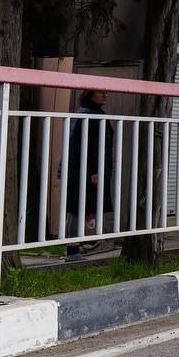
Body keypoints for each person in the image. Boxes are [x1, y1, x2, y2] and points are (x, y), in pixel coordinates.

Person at [63, 90, 114, 262]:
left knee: (85, 207)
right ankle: (72, 250)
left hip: (86, 169)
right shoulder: (87, 115)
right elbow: (85, 145)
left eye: (107, 93)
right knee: (77, 208)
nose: (106, 95)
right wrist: (95, 169)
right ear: (90, 95)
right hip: (84, 170)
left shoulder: (91, 113)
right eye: (101, 93)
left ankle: (80, 246)